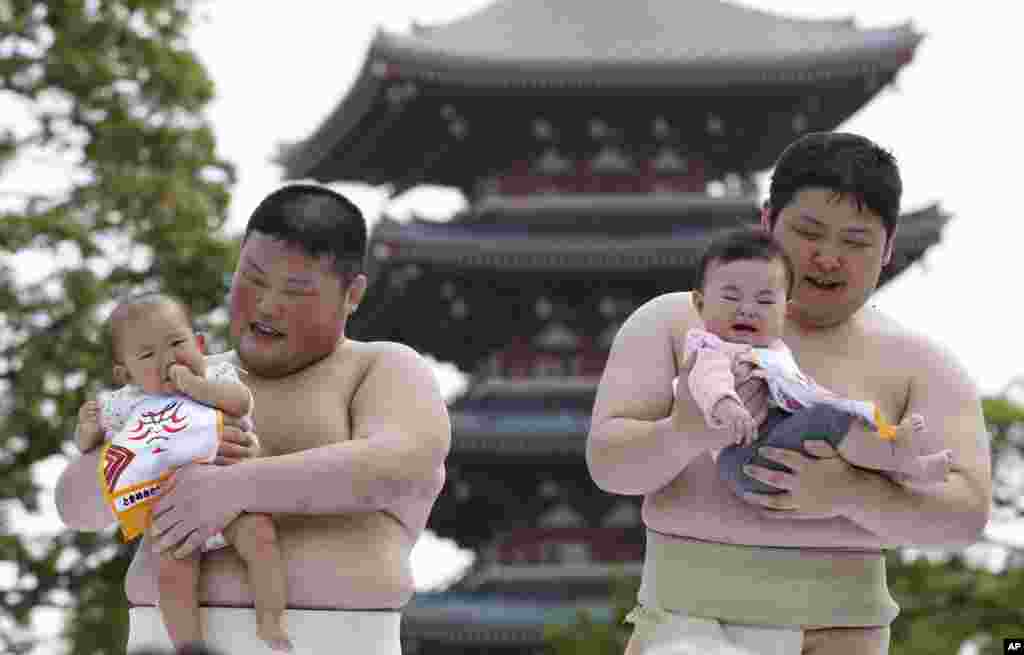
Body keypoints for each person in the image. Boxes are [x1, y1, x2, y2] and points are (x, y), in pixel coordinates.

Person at [586, 132, 991, 655]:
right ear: (766, 223)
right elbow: (609, 465)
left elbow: (965, 515)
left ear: (888, 248)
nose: (828, 258)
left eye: (856, 241)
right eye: (809, 232)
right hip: (683, 624)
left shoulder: (922, 364)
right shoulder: (674, 322)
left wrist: (853, 493)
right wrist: (683, 431)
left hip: (844, 634)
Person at [56, 183, 451, 654]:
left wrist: (233, 486)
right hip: (164, 639)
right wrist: (158, 447)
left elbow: (401, 466)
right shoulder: (169, 384)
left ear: (352, 295)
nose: (266, 305)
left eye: (296, 289)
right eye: (254, 279)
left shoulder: (380, 367)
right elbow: (75, 506)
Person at [76, 292, 291, 651]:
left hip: (231, 493)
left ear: (200, 343)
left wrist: (196, 386)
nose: (168, 358)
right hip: (172, 510)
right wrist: (86, 429)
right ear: (125, 373)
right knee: (172, 577)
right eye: (147, 355)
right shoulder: (125, 402)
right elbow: (89, 446)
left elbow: (240, 403)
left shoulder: (216, 374)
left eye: (177, 342)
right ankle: (189, 646)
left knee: (263, 541)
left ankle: (271, 619)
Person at [679, 228, 953, 499]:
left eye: (764, 301)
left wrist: (856, 413)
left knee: (841, 428)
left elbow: (805, 393)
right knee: (827, 420)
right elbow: (708, 379)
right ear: (701, 304)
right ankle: (898, 460)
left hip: (774, 439)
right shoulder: (712, 350)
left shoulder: (773, 354)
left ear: (784, 310)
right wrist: (727, 405)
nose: (747, 309)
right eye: (731, 297)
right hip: (742, 456)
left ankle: (906, 467)